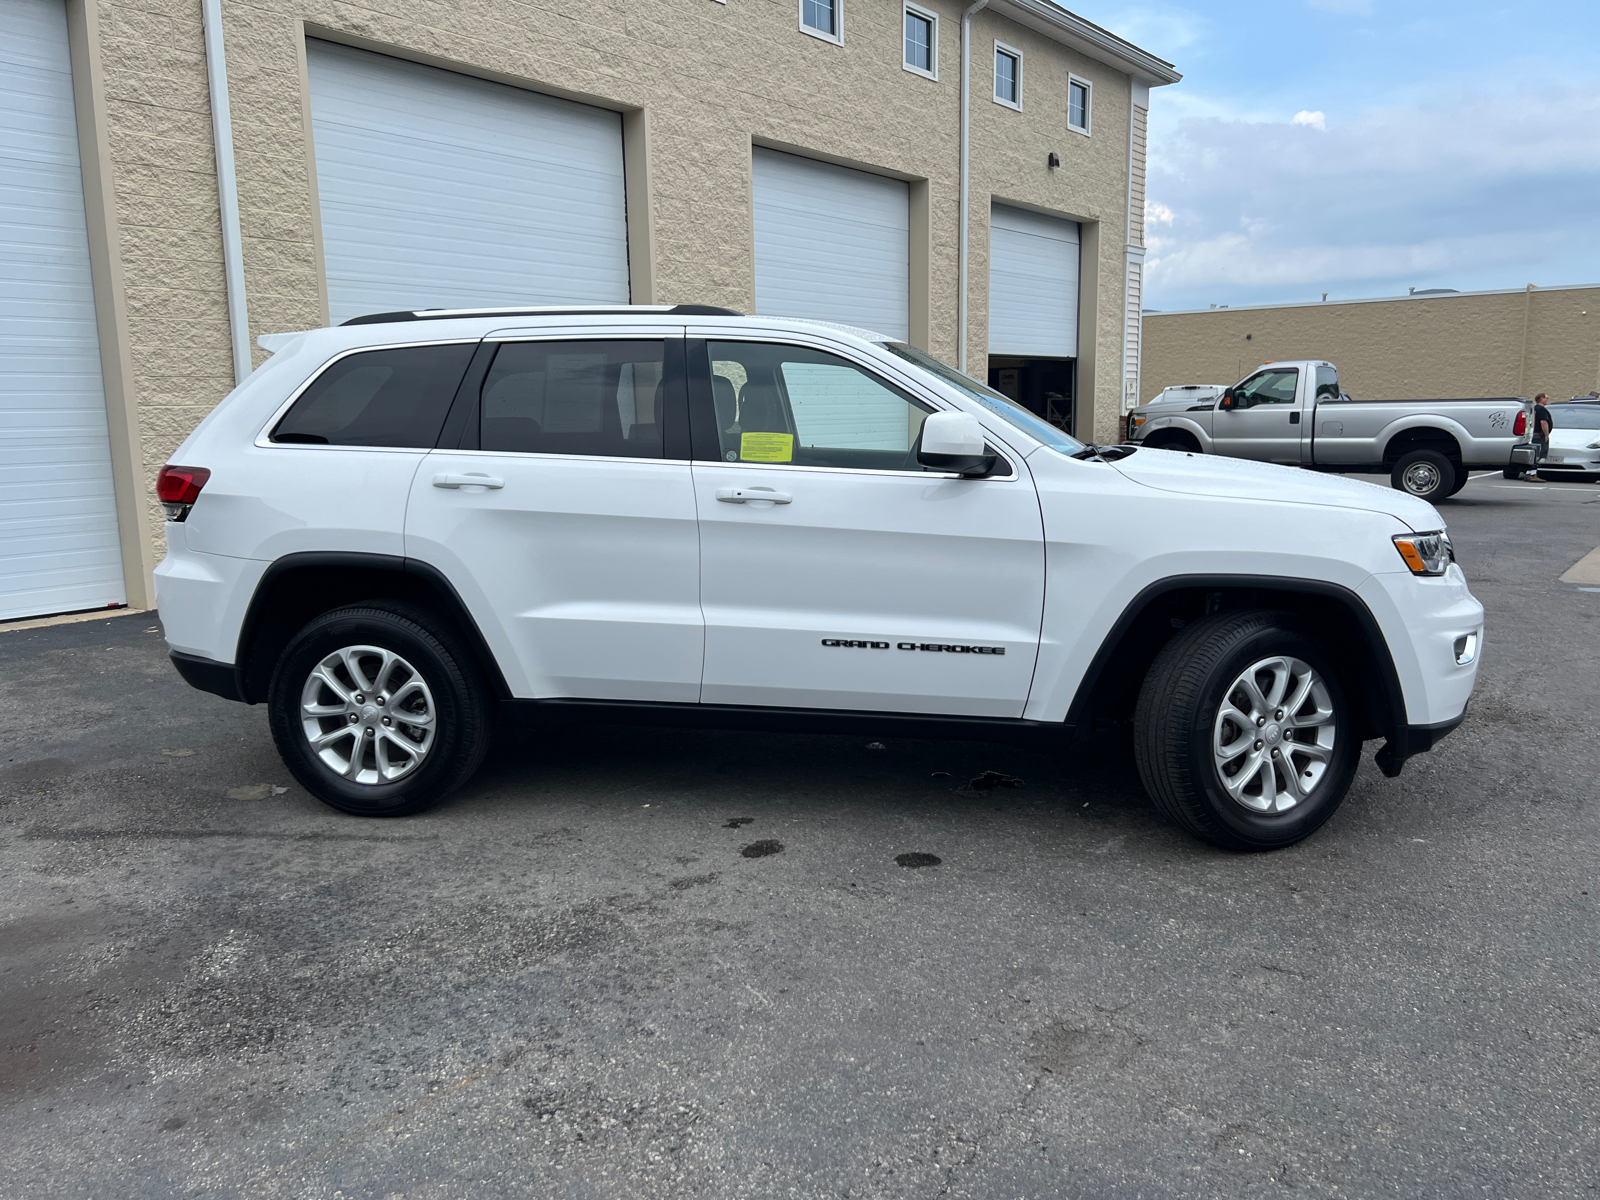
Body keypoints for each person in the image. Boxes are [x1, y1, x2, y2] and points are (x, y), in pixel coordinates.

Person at [1525, 392, 1554, 480]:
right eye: (1546, 398)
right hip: (1539, 435)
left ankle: (1529, 473)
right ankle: (1533, 475)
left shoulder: (1534, 409)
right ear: (1541, 399)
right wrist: (1546, 435)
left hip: (1534, 434)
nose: (1547, 400)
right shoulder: (1541, 410)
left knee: (1534, 455)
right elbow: (1543, 422)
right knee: (1538, 455)